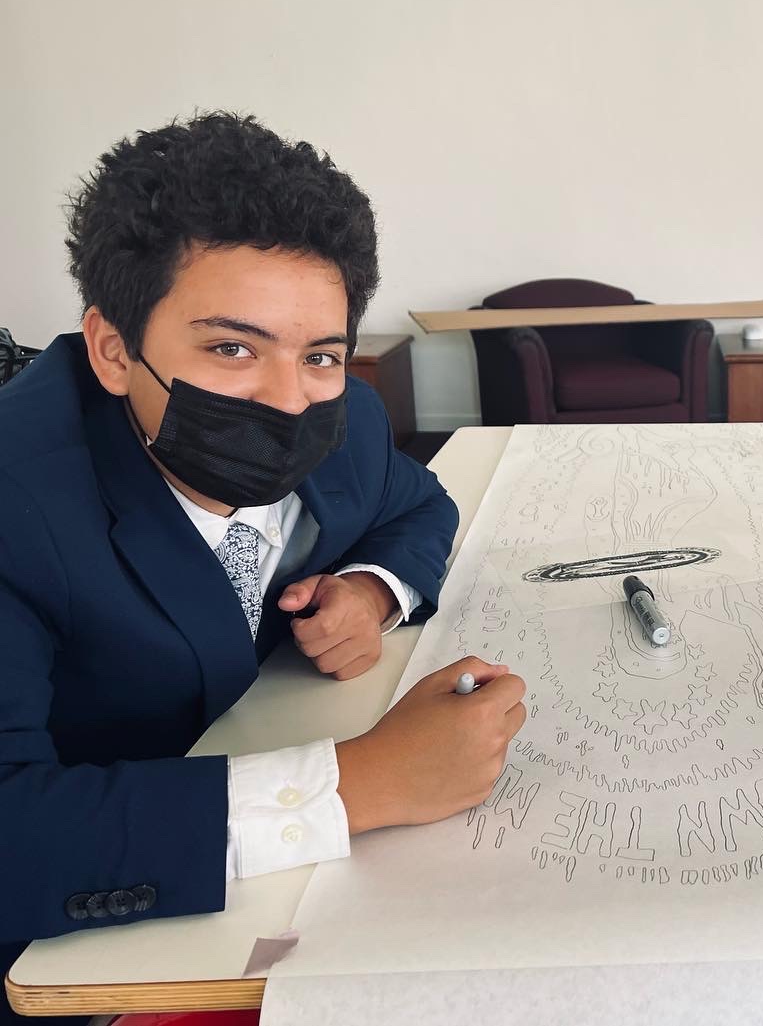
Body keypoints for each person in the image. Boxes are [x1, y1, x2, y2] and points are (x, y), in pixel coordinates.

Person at [0, 113, 526, 1024]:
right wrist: (358, 783)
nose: (288, 400)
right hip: (94, 958)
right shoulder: (18, 502)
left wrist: (372, 592)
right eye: (232, 348)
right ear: (113, 349)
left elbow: (419, 506)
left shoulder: (345, 418)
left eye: (319, 353)